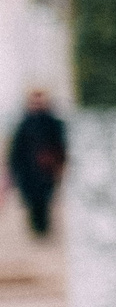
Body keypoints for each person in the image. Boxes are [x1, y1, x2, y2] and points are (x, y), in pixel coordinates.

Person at [8, 90, 65, 239]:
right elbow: (16, 151)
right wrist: (14, 171)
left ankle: (44, 230)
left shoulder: (53, 123)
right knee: (32, 202)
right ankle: (37, 230)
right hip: (28, 173)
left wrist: (58, 164)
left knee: (44, 201)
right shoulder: (23, 124)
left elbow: (60, 146)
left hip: (46, 171)